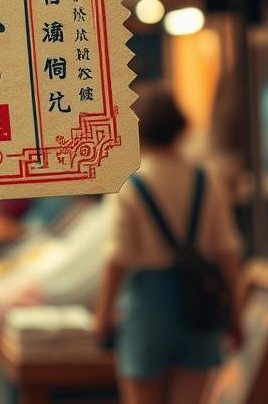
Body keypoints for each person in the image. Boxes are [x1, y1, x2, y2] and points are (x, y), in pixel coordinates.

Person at [93, 88, 243, 404]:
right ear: (181, 129)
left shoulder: (128, 183)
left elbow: (117, 257)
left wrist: (104, 312)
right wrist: (235, 314)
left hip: (148, 303)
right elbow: (226, 252)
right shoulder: (207, 179)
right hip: (199, 299)